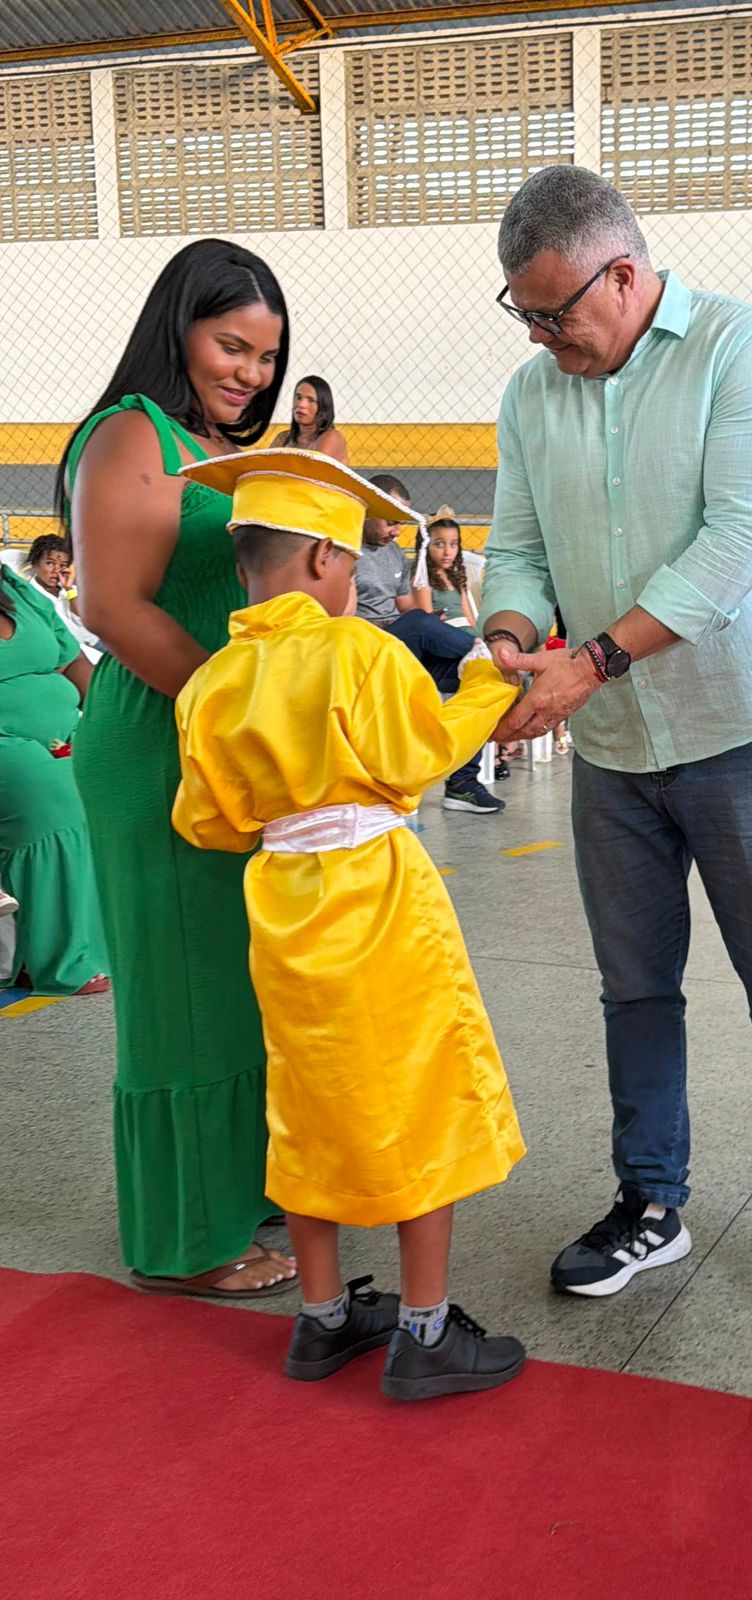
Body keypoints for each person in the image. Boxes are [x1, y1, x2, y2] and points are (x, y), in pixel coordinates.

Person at [481, 164, 752, 1302]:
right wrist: (508, 639)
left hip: (740, 729)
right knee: (633, 984)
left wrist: (588, 660)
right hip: (615, 755)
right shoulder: (530, 394)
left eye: (557, 310)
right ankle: (651, 1198)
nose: (544, 336)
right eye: (524, 314)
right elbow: (517, 547)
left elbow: (737, 547)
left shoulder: (742, 353)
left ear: (626, 273)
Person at [171, 448, 526, 1400]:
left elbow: (208, 821)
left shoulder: (212, 683)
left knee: (310, 1097)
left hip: (281, 898)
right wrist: (492, 688)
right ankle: (426, 1330)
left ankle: (322, 1322)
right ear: (328, 563)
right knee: (419, 1092)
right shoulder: (358, 651)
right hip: (375, 891)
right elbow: (426, 751)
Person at [58, 238, 296, 1299]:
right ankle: (185, 1237)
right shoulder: (130, 435)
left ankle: (234, 1189)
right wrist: (235, 708)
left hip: (216, 734)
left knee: (236, 982)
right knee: (181, 993)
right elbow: (114, 608)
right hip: (162, 736)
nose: (248, 372)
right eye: (230, 344)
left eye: (265, 356)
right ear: (179, 329)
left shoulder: (209, 444)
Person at [355, 476, 502, 815]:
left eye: (401, 524)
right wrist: (418, 623)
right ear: (368, 509)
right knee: (421, 624)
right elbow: (341, 615)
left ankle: (463, 784)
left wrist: (430, 621)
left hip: (402, 646)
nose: (397, 532)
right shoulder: (345, 548)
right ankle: (485, 650)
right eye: (391, 522)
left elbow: (406, 608)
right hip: (366, 645)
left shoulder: (393, 554)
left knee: (480, 675)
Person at [0, 565, 108, 996]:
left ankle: (94, 942)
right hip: (7, 740)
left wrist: (110, 723)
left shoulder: (15, 591)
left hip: (64, 732)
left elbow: (76, 664)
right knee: (54, 799)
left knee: (109, 777)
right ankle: (61, 960)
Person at [21, 533, 103, 664]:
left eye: (62, 565)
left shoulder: (70, 590)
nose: (56, 570)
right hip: (74, 650)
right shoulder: (29, 596)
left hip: (96, 641)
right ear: (35, 563)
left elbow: (82, 617)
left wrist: (69, 589)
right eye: (50, 563)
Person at [411, 506, 479, 629]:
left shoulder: (457, 578)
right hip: (446, 636)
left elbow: (471, 620)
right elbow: (428, 627)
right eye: (439, 545)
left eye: (453, 544)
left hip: (470, 635)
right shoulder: (422, 582)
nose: (447, 552)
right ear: (425, 546)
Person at [271, 374, 348, 463]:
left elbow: (311, 475)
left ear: (323, 406)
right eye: (298, 397)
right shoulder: (283, 438)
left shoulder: (331, 438)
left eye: (311, 400)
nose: (301, 404)